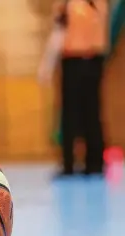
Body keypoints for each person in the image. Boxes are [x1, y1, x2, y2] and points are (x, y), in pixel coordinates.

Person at [38, 0, 109, 177]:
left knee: (92, 113)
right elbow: (58, 33)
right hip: (72, 62)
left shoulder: (98, 4)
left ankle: (95, 163)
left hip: (93, 61)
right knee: (69, 114)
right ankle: (68, 164)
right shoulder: (66, 3)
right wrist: (47, 65)